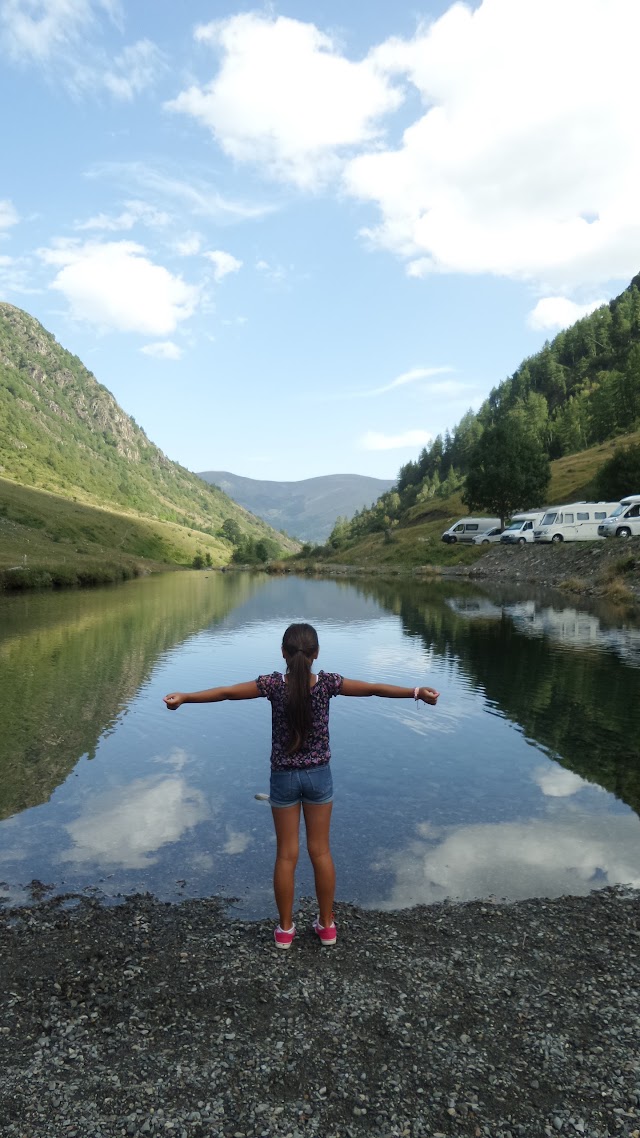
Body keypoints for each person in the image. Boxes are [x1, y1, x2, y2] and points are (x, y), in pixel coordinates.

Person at [164, 622, 439, 949]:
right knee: (320, 851)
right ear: (316, 654)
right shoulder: (327, 684)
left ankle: (284, 931)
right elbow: (373, 688)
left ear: (283, 653)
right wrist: (416, 692)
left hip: (282, 778)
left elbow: (225, 694)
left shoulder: (271, 685)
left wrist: (185, 697)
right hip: (319, 776)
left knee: (286, 855)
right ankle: (326, 927)